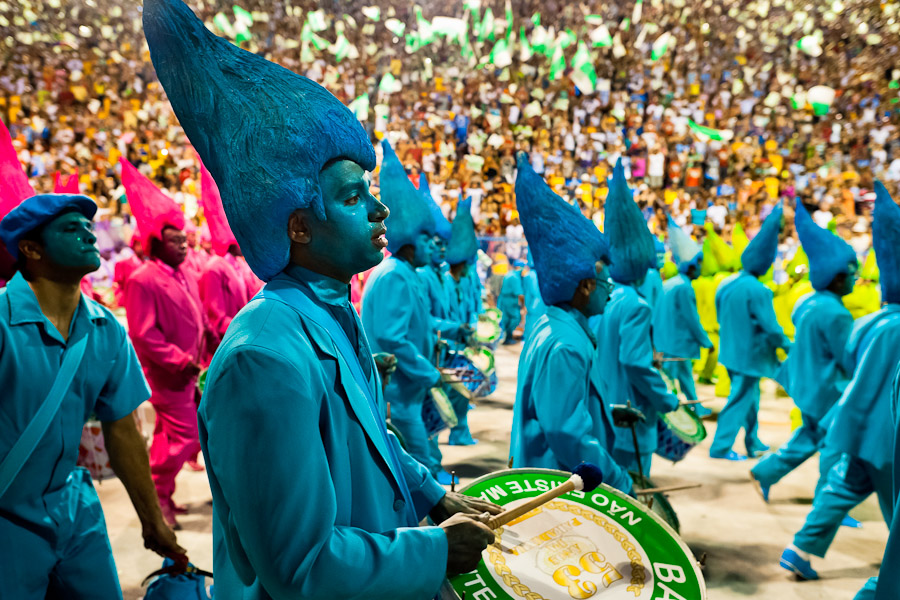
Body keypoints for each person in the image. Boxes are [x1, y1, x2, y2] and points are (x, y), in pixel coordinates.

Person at [145, 2, 499, 597]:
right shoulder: (265, 360)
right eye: (355, 196)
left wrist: (432, 494)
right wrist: (434, 550)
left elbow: (371, 439)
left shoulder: (333, 316)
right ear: (299, 227)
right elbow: (300, 566)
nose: (381, 211)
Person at [0, 192, 185, 598]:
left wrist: (152, 520)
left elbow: (122, 430)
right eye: (70, 229)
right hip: (7, 516)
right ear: (30, 249)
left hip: (74, 508)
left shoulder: (106, 329)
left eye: (88, 228)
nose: (88, 236)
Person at [780, 183, 900, 581]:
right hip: (888, 438)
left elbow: (850, 357)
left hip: (855, 424)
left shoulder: (871, 322)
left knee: (841, 488)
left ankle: (799, 548)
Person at [510, 154, 633, 494]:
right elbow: (568, 435)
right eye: (606, 285)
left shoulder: (555, 325)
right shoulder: (566, 345)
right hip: (555, 485)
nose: (611, 294)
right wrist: (617, 479)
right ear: (585, 287)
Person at [362, 139, 461, 483]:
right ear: (408, 240)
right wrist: (427, 372)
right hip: (398, 393)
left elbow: (419, 323)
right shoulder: (394, 276)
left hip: (410, 388)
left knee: (427, 458)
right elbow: (393, 337)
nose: (433, 247)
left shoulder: (406, 273)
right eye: (427, 240)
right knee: (420, 469)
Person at [120, 156, 210, 527]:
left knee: (172, 435)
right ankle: (157, 494)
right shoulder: (143, 279)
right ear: (157, 244)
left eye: (184, 240)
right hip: (168, 374)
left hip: (190, 369)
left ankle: (164, 495)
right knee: (186, 438)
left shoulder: (184, 273)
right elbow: (144, 334)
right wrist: (179, 360)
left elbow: (198, 320)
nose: (184, 246)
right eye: (175, 241)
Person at [751, 201, 857, 501]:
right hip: (827, 390)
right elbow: (846, 358)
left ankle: (766, 471)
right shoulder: (836, 313)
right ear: (837, 277)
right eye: (851, 274)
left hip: (804, 383)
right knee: (835, 445)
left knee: (809, 436)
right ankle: (829, 499)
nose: (854, 280)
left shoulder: (808, 302)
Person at [594, 160, 679, 477]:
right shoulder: (636, 306)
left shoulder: (610, 297)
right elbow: (634, 363)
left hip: (608, 409)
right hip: (632, 417)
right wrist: (664, 397)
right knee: (631, 492)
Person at [709, 202, 790, 460]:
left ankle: (752, 440)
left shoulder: (726, 284)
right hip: (750, 357)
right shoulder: (758, 290)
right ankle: (721, 447)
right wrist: (788, 346)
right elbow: (771, 328)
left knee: (749, 399)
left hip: (731, 351)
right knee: (740, 401)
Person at [653, 216, 714, 418]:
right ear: (692, 266)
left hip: (669, 341)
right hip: (676, 343)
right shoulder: (683, 287)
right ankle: (669, 412)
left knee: (683, 377)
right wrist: (706, 341)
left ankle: (693, 406)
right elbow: (691, 319)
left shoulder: (672, 283)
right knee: (670, 379)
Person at [197, 157, 249, 362]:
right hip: (232, 349)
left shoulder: (240, 264)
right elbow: (216, 319)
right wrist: (249, 333)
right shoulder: (214, 268)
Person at [441, 197, 481, 446]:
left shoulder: (462, 281)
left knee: (461, 394)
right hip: (445, 348)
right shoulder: (442, 281)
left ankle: (459, 432)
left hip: (459, 345)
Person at [521, 248, 546, 341]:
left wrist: (525, 306)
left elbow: (528, 294)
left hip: (533, 307)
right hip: (543, 307)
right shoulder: (545, 274)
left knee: (530, 333)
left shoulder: (529, 275)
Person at [497, 261, 524, 343]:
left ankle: (506, 337)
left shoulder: (508, 274)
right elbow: (519, 293)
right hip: (511, 301)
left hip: (504, 299)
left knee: (506, 319)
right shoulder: (515, 277)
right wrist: (523, 305)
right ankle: (508, 337)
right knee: (514, 318)